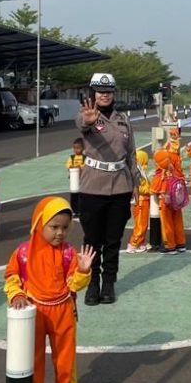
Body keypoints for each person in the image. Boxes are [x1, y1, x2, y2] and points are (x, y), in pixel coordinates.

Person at [4, 197, 95, 383]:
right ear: (38, 223)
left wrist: (84, 271)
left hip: (63, 310)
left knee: (65, 361)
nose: (60, 233)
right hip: (33, 311)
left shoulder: (68, 254)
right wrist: (16, 295)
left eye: (65, 227)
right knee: (31, 359)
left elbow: (73, 284)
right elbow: (11, 276)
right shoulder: (23, 252)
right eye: (54, 227)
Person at [75, 73, 141, 305]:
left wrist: (135, 182)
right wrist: (91, 120)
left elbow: (131, 154)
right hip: (93, 185)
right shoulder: (87, 115)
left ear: (114, 93)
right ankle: (92, 283)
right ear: (93, 93)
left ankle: (109, 283)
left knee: (113, 239)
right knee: (92, 239)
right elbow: (84, 125)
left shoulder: (123, 120)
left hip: (120, 186)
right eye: (100, 91)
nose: (104, 94)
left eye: (109, 91)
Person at [151, 148, 186, 254]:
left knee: (167, 223)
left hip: (165, 202)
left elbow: (154, 189)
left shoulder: (160, 174)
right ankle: (181, 243)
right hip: (177, 201)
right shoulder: (175, 172)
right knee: (178, 221)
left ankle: (170, 245)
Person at [126, 149, 152, 253]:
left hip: (142, 200)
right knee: (141, 224)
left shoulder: (140, 171)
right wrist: (150, 190)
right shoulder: (139, 173)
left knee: (141, 223)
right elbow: (140, 188)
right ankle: (134, 243)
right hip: (141, 200)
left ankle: (140, 242)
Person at [65, 138, 86, 217]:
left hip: (82, 180)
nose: (76, 150)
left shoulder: (84, 157)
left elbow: (85, 166)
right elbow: (68, 164)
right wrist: (71, 166)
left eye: (78, 148)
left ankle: (81, 210)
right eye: (74, 148)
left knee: (81, 196)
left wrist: (80, 167)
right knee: (73, 195)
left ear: (83, 148)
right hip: (74, 180)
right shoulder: (72, 157)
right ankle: (75, 211)